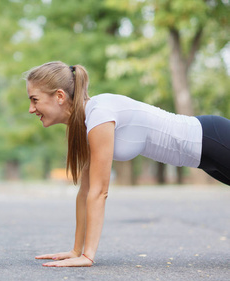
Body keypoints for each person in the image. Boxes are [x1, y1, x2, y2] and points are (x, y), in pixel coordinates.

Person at [25, 61, 230, 267]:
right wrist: (76, 250)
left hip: (213, 139)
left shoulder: (99, 115)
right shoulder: (88, 122)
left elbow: (99, 192)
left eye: (35, 100)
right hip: (205, 158)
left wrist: (88, 256)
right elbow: (85, 190)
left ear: (59, 96)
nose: (31, 109)